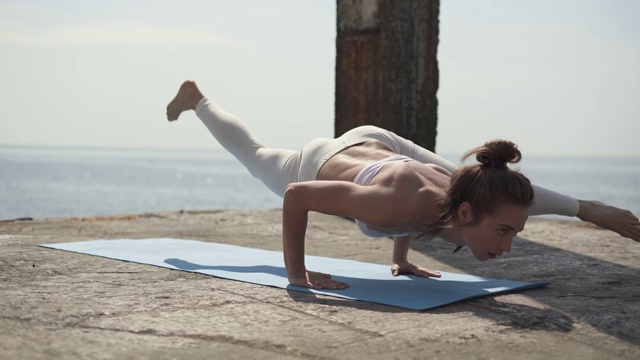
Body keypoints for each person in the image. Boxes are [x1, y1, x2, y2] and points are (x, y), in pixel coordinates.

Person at [166, 80, 640, 290]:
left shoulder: (459, 199)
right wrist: (297, 273)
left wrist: (401, 258)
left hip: (384, 143)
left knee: (487, 188)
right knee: (253, 155)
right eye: (504, 233)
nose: (509, 246)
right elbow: (297, 197)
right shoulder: (388, 207)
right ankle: (198, 98)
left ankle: (589, 207)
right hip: (322, 161)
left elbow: (428, 211)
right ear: (468, 217)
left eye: (511, 235)